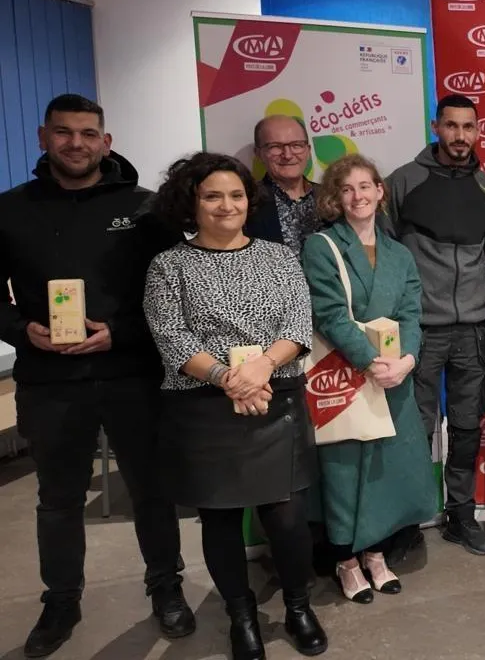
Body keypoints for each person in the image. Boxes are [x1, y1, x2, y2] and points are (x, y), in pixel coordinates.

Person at [0, 94, 193, 658]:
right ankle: (61, 601)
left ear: (106, 143)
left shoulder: (146, 209)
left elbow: (172, 293)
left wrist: (121, 332)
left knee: (151, 492)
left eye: (88, 134)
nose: (76, 144)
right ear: (43, 138)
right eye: (64, 132)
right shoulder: (10, 209)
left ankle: (166, 587)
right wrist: (22, 331)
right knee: (58, 499)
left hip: (132, 374)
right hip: (49, 381)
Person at [144, 153, 327, 659]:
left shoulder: (279, 257)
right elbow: (172, 339)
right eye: (212, 196)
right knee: (220, 521)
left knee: (287, 520)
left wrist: (262, 368)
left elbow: (298, 324)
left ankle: (298, 607)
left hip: (276, 400)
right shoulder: (168, 266)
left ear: (250, 200)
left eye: (236, 195)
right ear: (191, 203)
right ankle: (240, 615)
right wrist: (230, 379)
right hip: (204, 407)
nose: (227, 205)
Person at [300, 154, 437, 603]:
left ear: (380, 191)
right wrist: (370, 362)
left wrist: (407, 361)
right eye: (347, 189)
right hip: (347, 375)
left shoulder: (400, 254)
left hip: (394, 377)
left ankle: (376, 554)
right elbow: (329, 315)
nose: (357, 196)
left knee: (384, 470)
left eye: (365, 186)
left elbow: (412, 313)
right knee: (344, 471)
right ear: (335, 199)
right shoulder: (322, 246)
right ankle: (345, 560)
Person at [385, 93, 485, 556]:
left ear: (478, 131)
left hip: (473, 329)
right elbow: (387, 253)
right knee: (414, 428)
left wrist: (474, 300)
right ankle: (408, 519)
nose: (459, 135)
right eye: (451, 126)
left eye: (468, 127)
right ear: (435, 127)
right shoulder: (402, 181)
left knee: (468, 426)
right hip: (420, 329)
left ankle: (461, 515)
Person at [245, 114, 323, 256]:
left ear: (308, 150)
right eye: (275, 147)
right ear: (258, 153)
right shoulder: (247, 203)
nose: (287, 155)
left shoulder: (330, 196)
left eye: (296, 145)